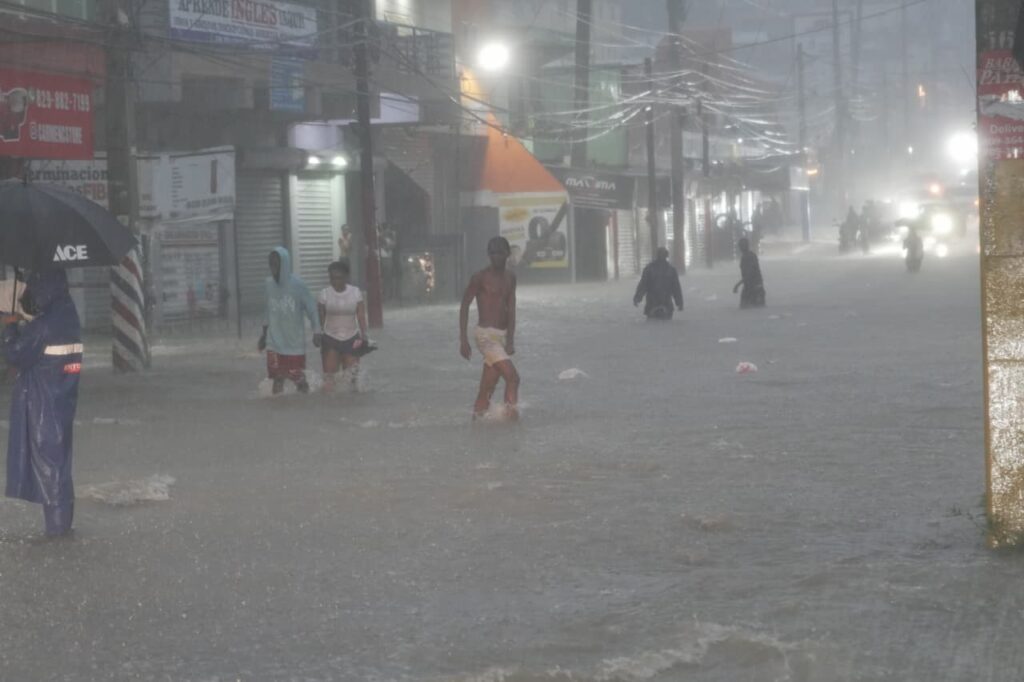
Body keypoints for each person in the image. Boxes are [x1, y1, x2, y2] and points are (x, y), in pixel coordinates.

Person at [4, 269, 82, 537]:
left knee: (50, 466)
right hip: (62, 398)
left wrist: (9, 325)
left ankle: (57, 533)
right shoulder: (68, 315)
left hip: (42, 402)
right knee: (60, 463)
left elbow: (15, 353)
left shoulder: (45, 325)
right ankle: (64, 528)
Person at [459, 236, 519, 420]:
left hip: (500, 337)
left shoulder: (511, 278)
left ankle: (476, 424)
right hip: (485, 336)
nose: (496, 257)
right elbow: (464, 306)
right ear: (488, 255)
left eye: (500, 253)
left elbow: (511, 310)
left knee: (486, 390)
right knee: (513, 377)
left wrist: (510, 340)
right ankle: (511, 422)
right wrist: (463, 340)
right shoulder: (480, 278)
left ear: (507, 254)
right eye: (493, 254)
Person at [258, 247, 319, 395]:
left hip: (293, 342)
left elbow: (311, 308)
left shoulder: (298, 285)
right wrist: (264, 335)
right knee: (277, 377)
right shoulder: (268, 284)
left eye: (276, 264)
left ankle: (305, 401)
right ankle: (277, 411)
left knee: (297, 377)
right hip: (273, 341)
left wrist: (317, 331)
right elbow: (267, 310)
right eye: (271, 264)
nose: (273, 268)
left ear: (284, 264)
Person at [317, 260, 372, 392]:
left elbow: (361, 316)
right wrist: (320, 334)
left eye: (339, 278)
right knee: (329, 381)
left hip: (352, 338)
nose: (335, 281)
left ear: (346, 277)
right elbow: (321, 317)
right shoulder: (324, 294)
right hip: (331, 338)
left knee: (351, 380)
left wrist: (364, 335)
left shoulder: (355, 292)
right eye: (332, 278)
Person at [634, 247, 684, 320]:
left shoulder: (649, 269)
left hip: (654, 304)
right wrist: (679, 303)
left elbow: (643, 285)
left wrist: (637, 298)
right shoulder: (671, 270)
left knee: (654, 326)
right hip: (663, 304)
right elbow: (676, 289)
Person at [733, 237, 766, 308]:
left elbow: (749, 274)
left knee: (753, 309)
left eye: (742, 245)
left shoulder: (750, 257)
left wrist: (737, 285)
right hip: (749, 287)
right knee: (748, 309)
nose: (741, 248)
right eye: (741, 245)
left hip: (755, 288)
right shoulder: (745, 257)